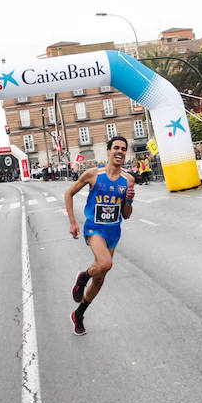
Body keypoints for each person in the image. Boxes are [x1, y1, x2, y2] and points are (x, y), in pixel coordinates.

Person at [65, 136, 136, 336]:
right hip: (95, 227)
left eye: (123, 148)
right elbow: (69, 193)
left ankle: (79, 314)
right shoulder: (93, 174)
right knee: (105, 264)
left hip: (114, 230)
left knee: (101, 277)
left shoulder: (128, 180)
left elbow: (126, 215)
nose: (120, 151)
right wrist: (72, 222)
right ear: (108, 151)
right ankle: (82, 277)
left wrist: (129, 202)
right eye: (116, 148)